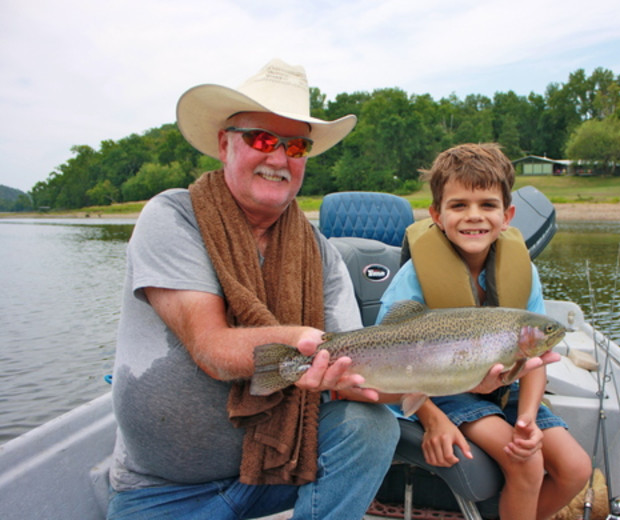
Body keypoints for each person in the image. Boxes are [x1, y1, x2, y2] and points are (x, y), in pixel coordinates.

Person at [107, 59, 402, 520]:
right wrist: (301, 344)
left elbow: (359, 374)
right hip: (165, 493)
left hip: (282, 471)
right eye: (263, 140)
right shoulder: (173, 217)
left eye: (296, 146)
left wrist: (460, 375)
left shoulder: (320, 254)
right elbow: (211, 349)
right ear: (225, 145)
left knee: (372, 426)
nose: (279, 159)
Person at [376, 143, 592, 520]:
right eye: (459, 205)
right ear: (437, 215)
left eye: (487, 205)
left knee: (576, 469)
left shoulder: (524, 273)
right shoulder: (414, 276)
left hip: (505, 396)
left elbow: (535, 359)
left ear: (507, 215)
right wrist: (431, 417)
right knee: (525, 463)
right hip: (445, 395)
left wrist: (526, 420)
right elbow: (388, 358)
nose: (473, 216)